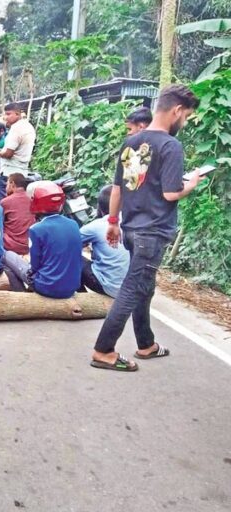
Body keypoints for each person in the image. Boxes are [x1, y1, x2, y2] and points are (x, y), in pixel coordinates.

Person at [91, 84, 203, 372]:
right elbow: (169, 193)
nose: (185, 122)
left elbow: (117, 188)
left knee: (144, 287)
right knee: (133, 288)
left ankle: (146, 344)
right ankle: (103, 350)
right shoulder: (170, 145)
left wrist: (113, 222)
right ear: (177, 110)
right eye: (187, 116)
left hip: (130, 227)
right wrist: (189, 185)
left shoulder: (131, 142)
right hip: (151, 232)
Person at [2, 181, 82, 298]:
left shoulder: (36, 229)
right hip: (71, 288)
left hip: (46, 287)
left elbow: (35, 265)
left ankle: (22, 295)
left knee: (7, 255)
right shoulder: (73, 224)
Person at [80, 185, 130, 297]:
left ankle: (82, 299)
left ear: (100, 206)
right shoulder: (136, 222)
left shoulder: (96, 226)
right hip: (133, 290)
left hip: (110, 287)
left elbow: (68, 244)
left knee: (73, 258)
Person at [0, 103, 36, 201]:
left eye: (8, 114)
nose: (6, 118)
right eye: (5, 115)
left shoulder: (16, 129)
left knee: (5, 203)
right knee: (19, 202)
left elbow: (8, 154)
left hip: (9, 174)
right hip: (22, 172)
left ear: (17, 114)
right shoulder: (29, 127)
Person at [0, 173, 35, 255]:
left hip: (12, 246)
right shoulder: (32, 199)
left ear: (12, 184)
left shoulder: (5, 202)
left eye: (7, 184)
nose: (6, 188)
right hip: (30, 244)